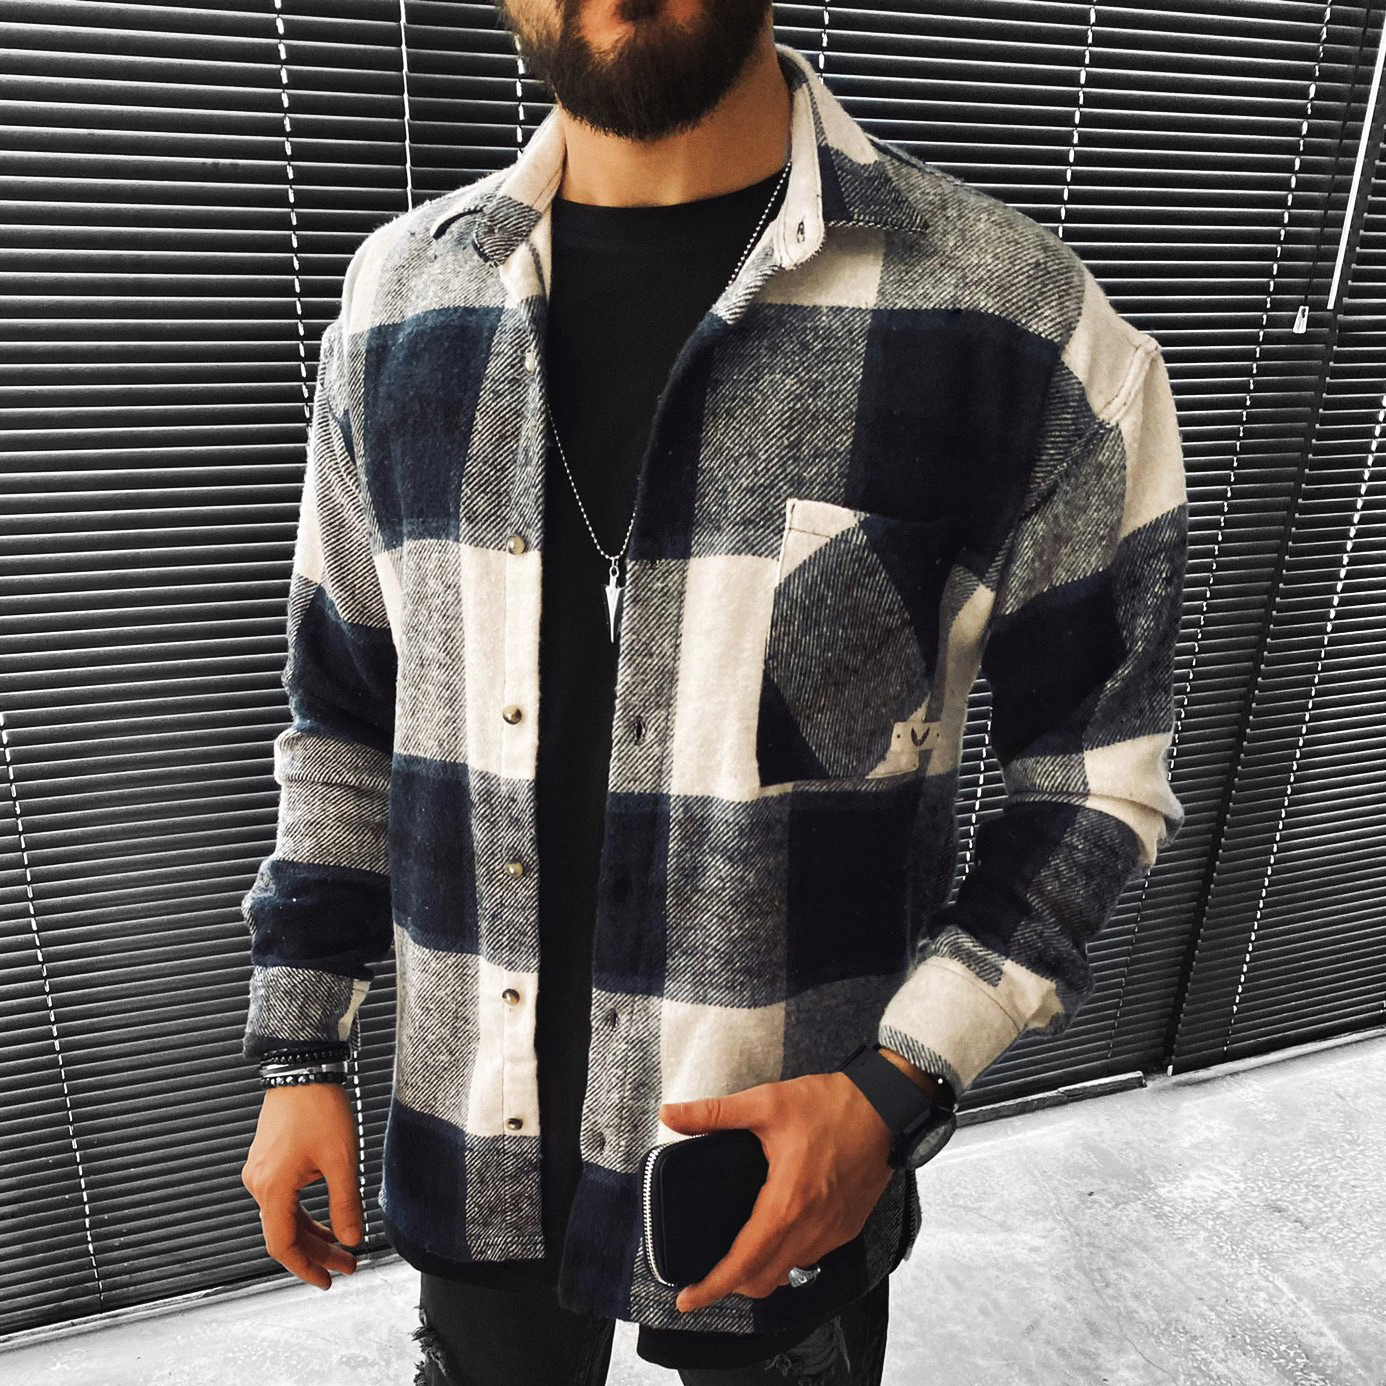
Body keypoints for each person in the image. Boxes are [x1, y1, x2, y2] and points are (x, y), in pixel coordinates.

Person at [238, 3, 1189, 1383]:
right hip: (473, 1139)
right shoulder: (398, 304)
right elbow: (344, 716)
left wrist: (896, 1088)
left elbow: (1095, 782)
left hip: (792, 1169)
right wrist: (299, 1050)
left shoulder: (1014, 327)